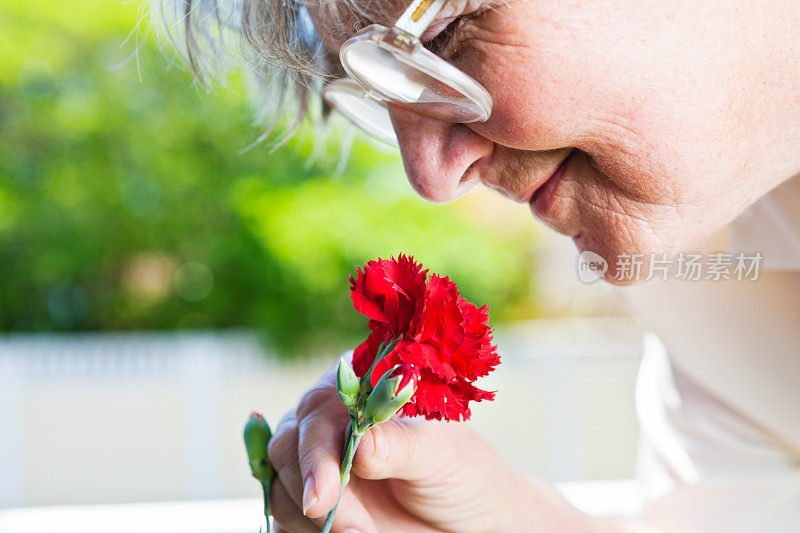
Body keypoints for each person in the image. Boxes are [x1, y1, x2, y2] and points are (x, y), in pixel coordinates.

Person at [153, 0, 800, 530]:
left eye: (446, 34)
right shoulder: (701, 276)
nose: (431, 178)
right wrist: (506, 519)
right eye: (383, 92)